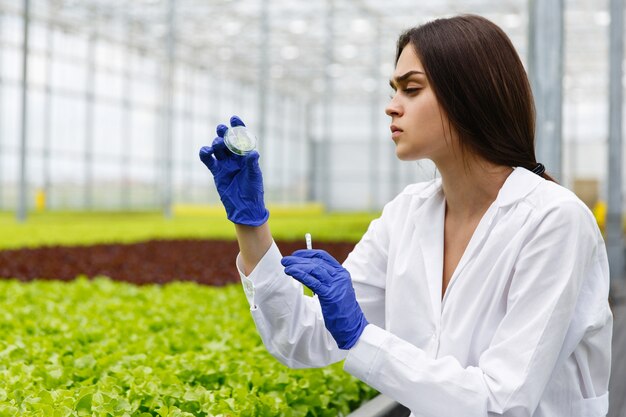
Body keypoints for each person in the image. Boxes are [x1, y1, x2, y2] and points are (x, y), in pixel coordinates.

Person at [199, 14, 613, 417]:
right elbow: (301, 339)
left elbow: (499, 404)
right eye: (394, 90)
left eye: (411, 89)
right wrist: (251, 226)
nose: (391, 107)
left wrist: (362, 335)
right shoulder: (406, 215)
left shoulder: (553, 221)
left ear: (469, 96)